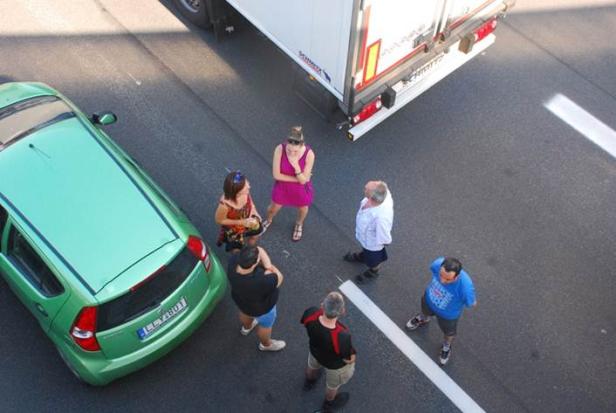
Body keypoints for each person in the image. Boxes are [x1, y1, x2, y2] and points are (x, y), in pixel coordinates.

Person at [405, 257, 476, 366]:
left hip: (448, 315)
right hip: (429, 299)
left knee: (448, 332)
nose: (443, 281)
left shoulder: (465, 287)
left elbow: (471, 303)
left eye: (448, 279)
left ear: (457, 276)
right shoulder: (437, 264)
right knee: (425, 312)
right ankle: (423, 319)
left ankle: (447, 345)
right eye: (441, 276)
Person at [301, 292, 355, 412]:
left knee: (312, 366)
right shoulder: (342, 335)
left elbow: (304, 323)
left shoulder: (311, 313)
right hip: (334, 365)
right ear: (342, 311)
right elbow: (348, 358)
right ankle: (328, 403)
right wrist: (354, 357)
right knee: (332, 386)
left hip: (315, 351)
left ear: (322, 305)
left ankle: (309, 381)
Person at [227, 245, 286, 352]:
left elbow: (258, 249)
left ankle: (246, 328)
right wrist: (269, 267)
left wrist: (264, 266)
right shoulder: (263, 281)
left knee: (245, 312)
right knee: (266, 325)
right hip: (262, 308)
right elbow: (280, 277)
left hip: (241, 301)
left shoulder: (233, 261)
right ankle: (266, 345)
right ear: (254, 264)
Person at [264, 126, 315, 242]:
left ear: (302, 145)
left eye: (295, 151)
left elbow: (304, 180)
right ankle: (269, 219)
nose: (291, 153)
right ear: (286, 143)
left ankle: (299, 223)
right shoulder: (279, 149)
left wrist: (296, 165)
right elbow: (276, 175)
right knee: (272, 208)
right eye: (289, 150)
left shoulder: (309, 154)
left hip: (300, 190)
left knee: (302, 209)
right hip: (283, 187)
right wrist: (299, 178)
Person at [343, 180, 393, 284]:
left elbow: (385, 238)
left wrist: (377, 243)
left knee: (373, 260)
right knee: (366, 251)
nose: (364, 187)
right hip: (365, 238)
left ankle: (374, 271)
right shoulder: (383, 192)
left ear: (371, 197)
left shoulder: (381, 217)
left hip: (372, 244)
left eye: (366, 189)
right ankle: (362, 257)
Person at [215, 170, 263, 253]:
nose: (249, 186)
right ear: (237, 192)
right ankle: (240, 259)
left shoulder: (246, 193)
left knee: (256, 234)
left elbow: (250, 202)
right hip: (234, 228)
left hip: (247, 221)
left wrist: (254, 212)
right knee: (235, 249)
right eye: (245, 186)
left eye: (247, 182)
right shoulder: (225, 205)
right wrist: (242, 222)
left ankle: (249, 251)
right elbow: (219, 220)